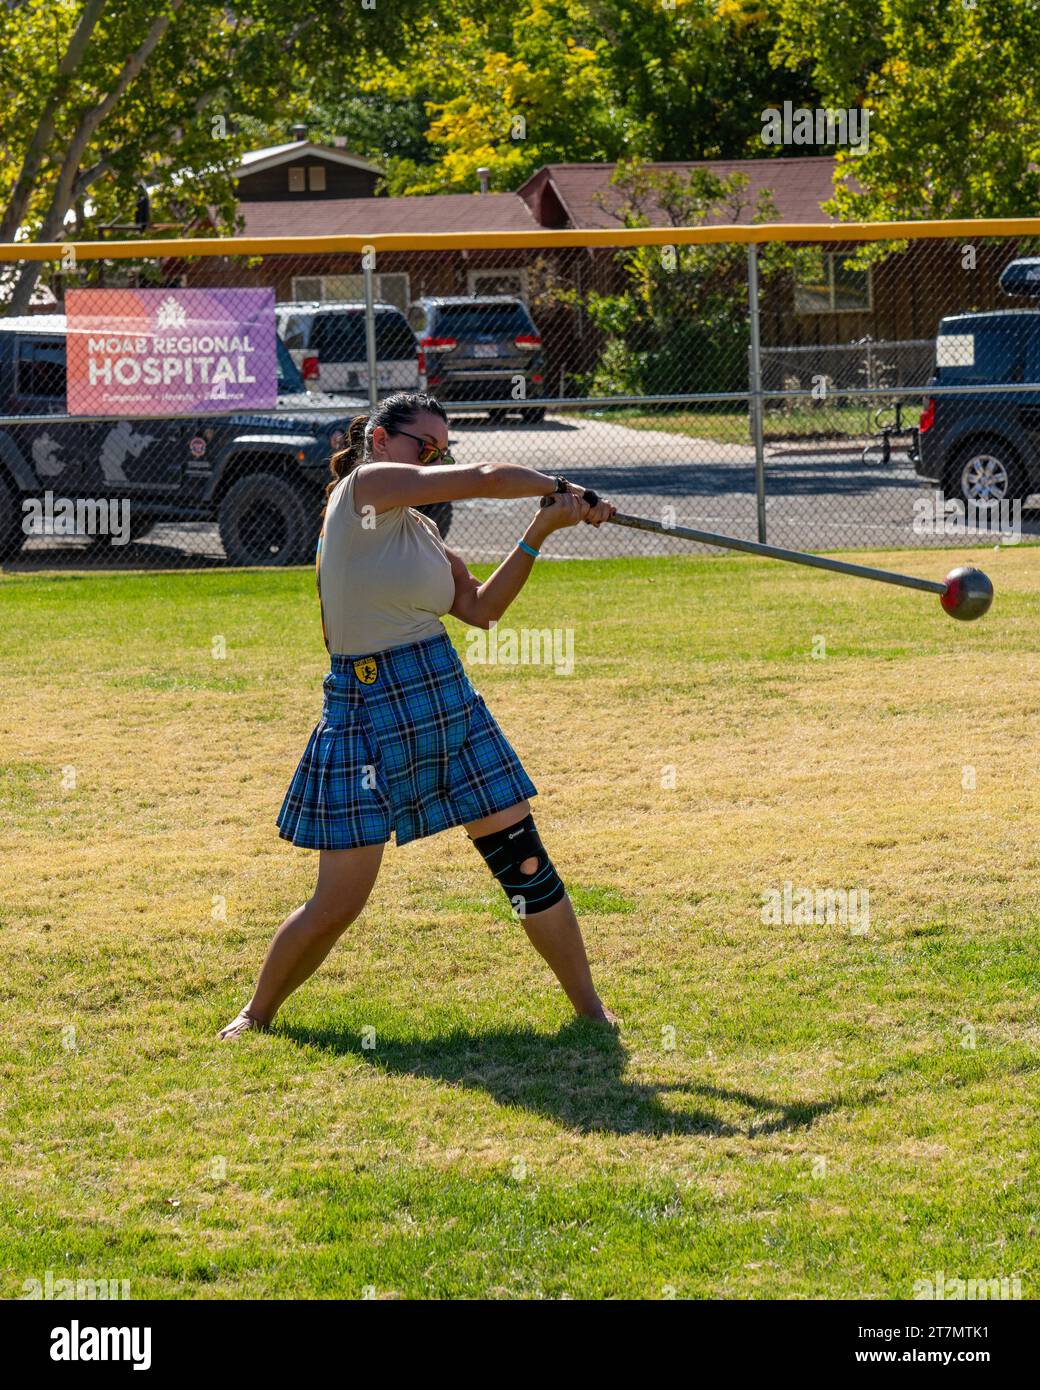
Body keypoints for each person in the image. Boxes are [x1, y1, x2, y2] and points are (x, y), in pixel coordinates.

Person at [219, 391, 617, 1040]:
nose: (435, 461)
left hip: (447, 701)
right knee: (339, 902)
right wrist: (562, 485)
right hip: (367, 710)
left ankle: (591, 1011)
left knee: (523, 862)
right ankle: (256, 1015)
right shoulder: (362, 491)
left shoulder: (424, 534)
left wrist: (543, 527)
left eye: (442, 451)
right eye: (423, 448)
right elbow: (486, 480)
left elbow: (482, 610)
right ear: (379, 440)